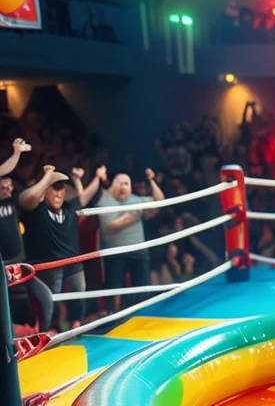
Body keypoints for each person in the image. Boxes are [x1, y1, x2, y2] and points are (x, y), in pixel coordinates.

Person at [19, 164, 106, 328]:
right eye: (55, 189)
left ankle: (75, 323)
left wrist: (98, 177)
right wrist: (47, 176)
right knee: (50, 299)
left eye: (62, 189)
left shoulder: (68, 208)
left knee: (79, 293)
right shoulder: (35, 210)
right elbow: (25, 199)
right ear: (45, 191)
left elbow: (85, 196)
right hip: (49, 264)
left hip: (73, 261)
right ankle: (50, 328)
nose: (59, 193)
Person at [0, 140, 55, 332]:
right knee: (7, 308)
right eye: (2, 187)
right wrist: (16, 153)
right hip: (2, 267)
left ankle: (43, 332)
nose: (7, 189)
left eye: (9, 186)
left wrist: (47, 177)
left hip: (20, 263)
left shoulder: (15, 201)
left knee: (45, 298)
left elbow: (32, 197)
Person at [97, 168, 164, 299]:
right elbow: (109, 227)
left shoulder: (135, 200)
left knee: (142, 289)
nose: (123, 187)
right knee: (114, 290)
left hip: (138, 250)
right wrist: (135, 215)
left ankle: (142, 309)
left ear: (130, 187)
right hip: (114, 252)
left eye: (126, 184)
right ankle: (114, 311)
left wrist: (151, 180)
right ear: (113, 186)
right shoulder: (105, 199)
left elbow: (160, 200)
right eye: (120, 183)